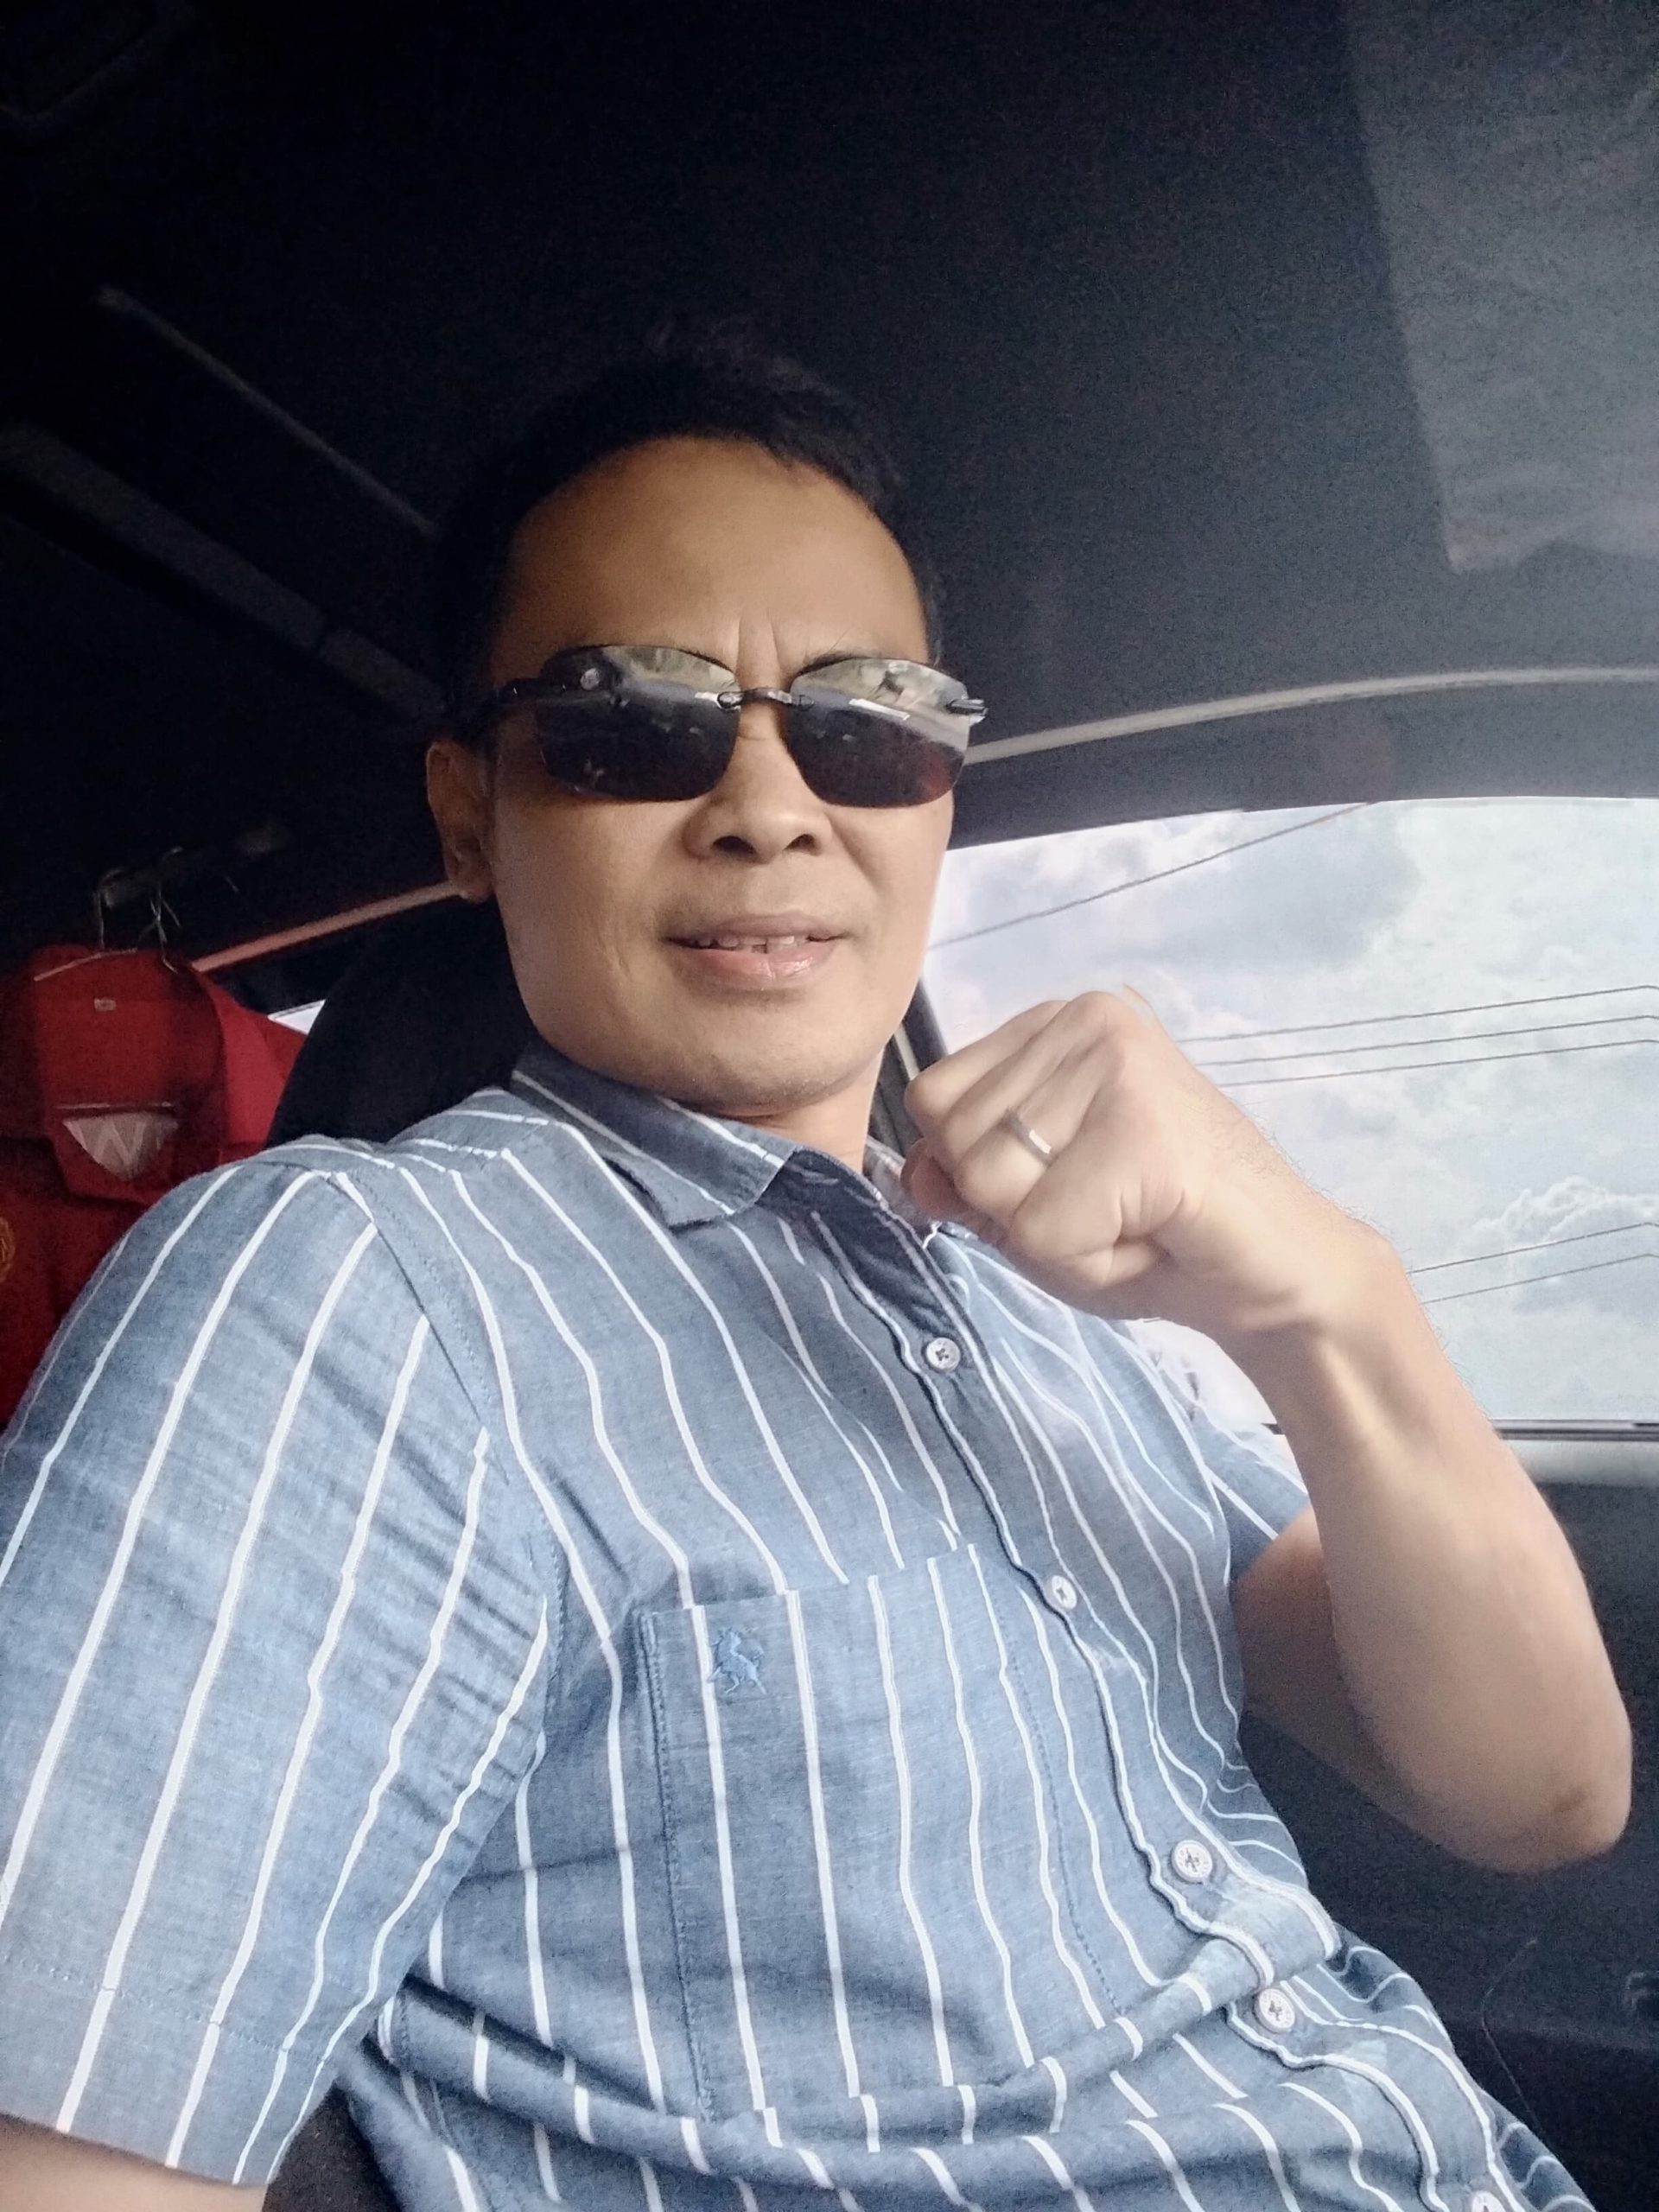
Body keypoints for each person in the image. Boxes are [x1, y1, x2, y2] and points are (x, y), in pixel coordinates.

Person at [0, 328, 1630, 2212]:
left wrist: (1327, 1298)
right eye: (632, 720)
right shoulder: (354, 1291)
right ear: (468, 816)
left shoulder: (1033, 1309)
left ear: (934, 788)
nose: (772, 804)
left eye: (866, 721)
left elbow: (1539, 1792)